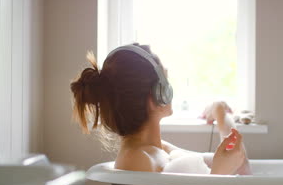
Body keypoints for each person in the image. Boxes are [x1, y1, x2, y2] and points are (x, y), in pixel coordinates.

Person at [70, 43, 251, 175]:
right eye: (166, 80)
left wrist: (220, 113)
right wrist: (219, 173)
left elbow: (239, 163)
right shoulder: (134, 159)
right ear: (157, 94)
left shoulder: (160, 149)